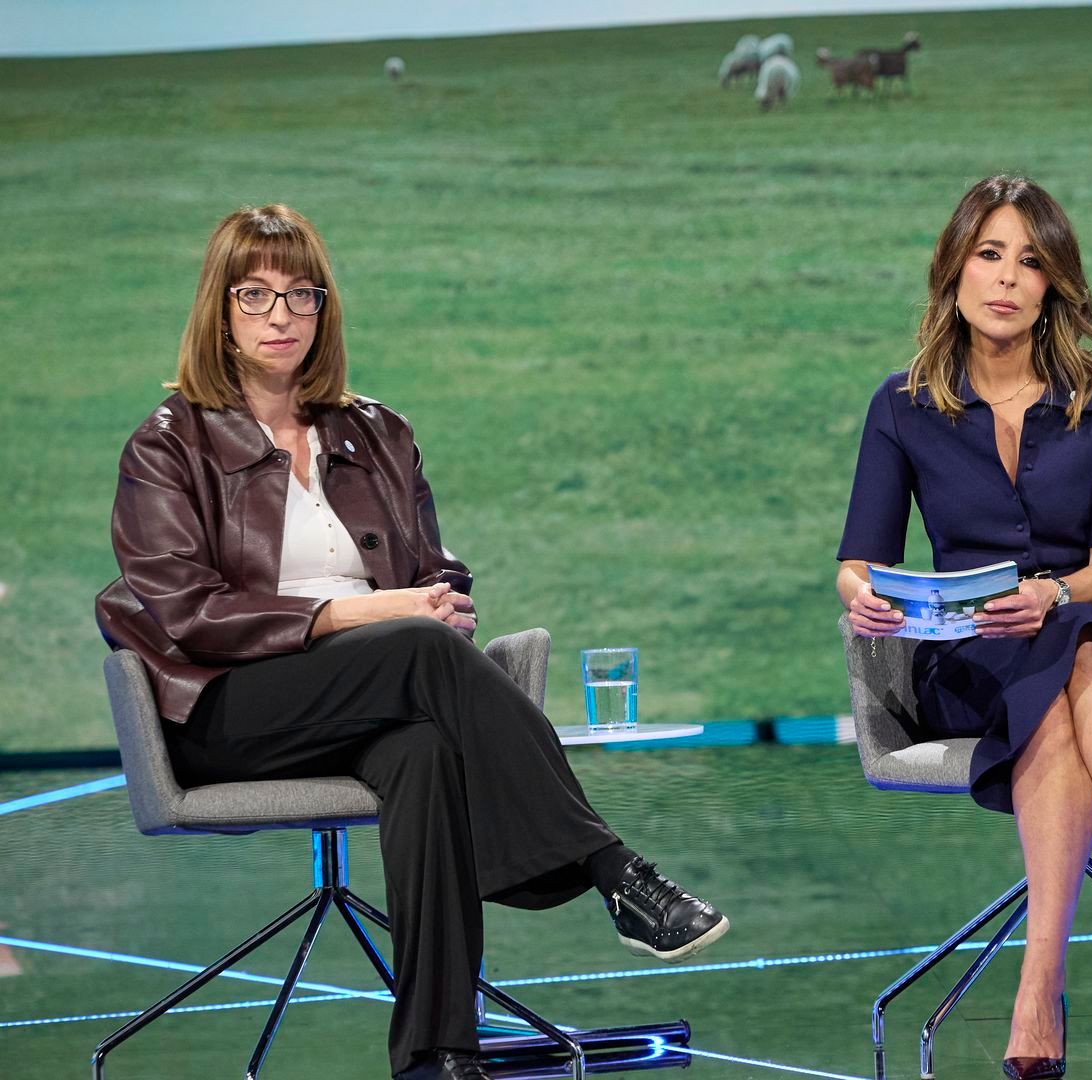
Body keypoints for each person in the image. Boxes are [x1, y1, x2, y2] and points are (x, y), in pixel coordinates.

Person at [94, 205, 729, 1080]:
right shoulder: (168, 446)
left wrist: (437, 601)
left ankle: (439, 1056)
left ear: (324, 309)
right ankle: (608, 867)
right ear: (220, 310)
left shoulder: (378, 433)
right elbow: (187, 612)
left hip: (380, 692)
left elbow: (440, 567)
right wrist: (375, 615)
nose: (280, 317)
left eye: (299, 295)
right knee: (420, 653)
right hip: (229, 706)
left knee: (426, 751)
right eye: (255, 296)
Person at [836, 175, 1092, 1079]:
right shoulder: (900, 405)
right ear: (953, 271)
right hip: (971, 666)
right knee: (1070, 656)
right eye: (989, 255)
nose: (1008, 278)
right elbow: (859, 556)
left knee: (1080, 638)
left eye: (1030, 261)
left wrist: (1055, 595)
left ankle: (1038, 987)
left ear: (1054, 283)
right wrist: (862, 596)